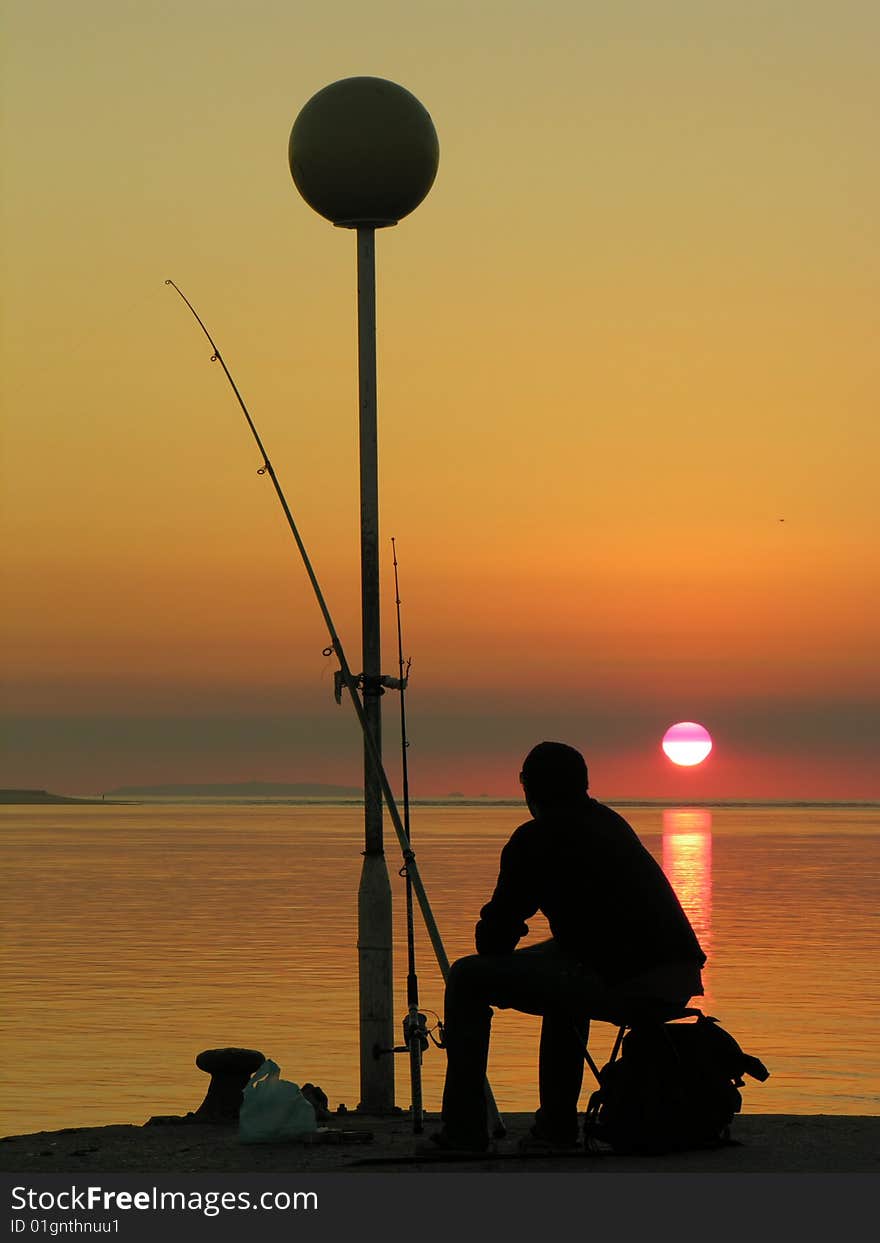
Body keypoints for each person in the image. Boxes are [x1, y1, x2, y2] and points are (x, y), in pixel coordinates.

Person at [429, 740, 706, 1153]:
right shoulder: (610, 823)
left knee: (468, 978)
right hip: (677, 978)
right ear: (583, 785)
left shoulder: (535, 838)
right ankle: (555, 1127)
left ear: (529, 789)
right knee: (561, 978)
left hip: (624, 978)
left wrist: (501, 915)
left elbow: (493, 941)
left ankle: (464, 1132)